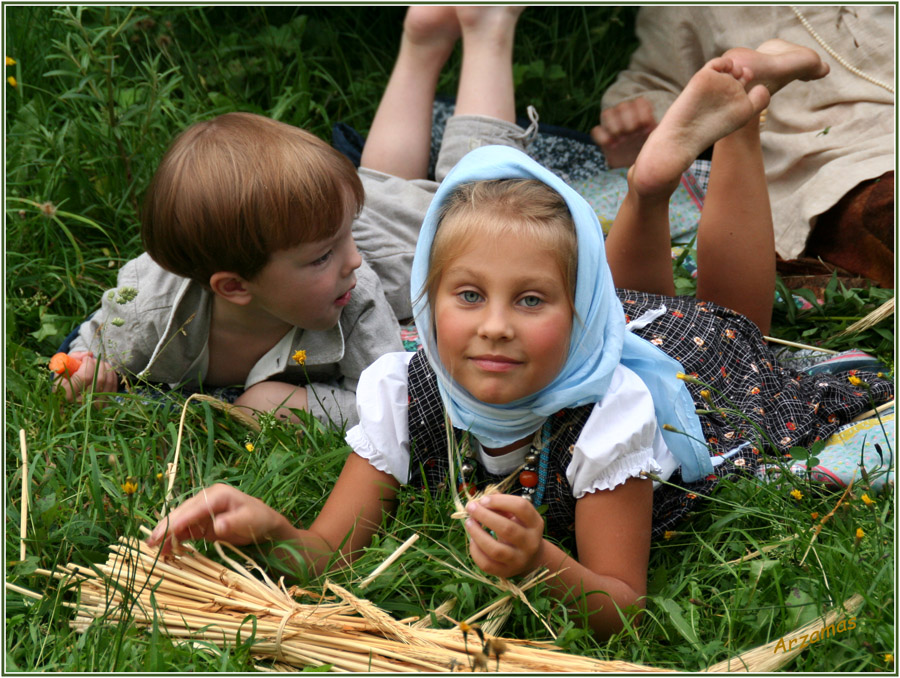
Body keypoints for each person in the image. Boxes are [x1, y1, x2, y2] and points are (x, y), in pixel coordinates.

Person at [148, 43, 893, 640]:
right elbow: (321, 555)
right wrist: (269, 529)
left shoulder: (611, 420)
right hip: (610, 312)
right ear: (425, 302)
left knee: (739, 335)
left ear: (577, 314)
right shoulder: (404, 393)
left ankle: (738, 131)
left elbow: (622, 604)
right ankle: (650, 185)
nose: (496, 324)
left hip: (690, 371)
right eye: (469, 296)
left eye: (529, 300)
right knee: (646, 302)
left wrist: (540, 560)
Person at [55, 6, 534, 428]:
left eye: (340, 245)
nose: (351, 262)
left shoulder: (356, 286)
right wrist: (94, 374)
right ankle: (424, 38)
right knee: (382, 184)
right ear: (235, 287)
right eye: (324, 256)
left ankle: (488, 25)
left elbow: (395, 399)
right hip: (362, 210)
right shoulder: (149, 312)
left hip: (399, 236)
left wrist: (295, 404)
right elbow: (90, 351)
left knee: (479, 202)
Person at [592, 6, 894, 288]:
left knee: (724, 329)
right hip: (840, 162)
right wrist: (643, 122)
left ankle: (736, 112)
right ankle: (741, 109)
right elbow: (653, 81)